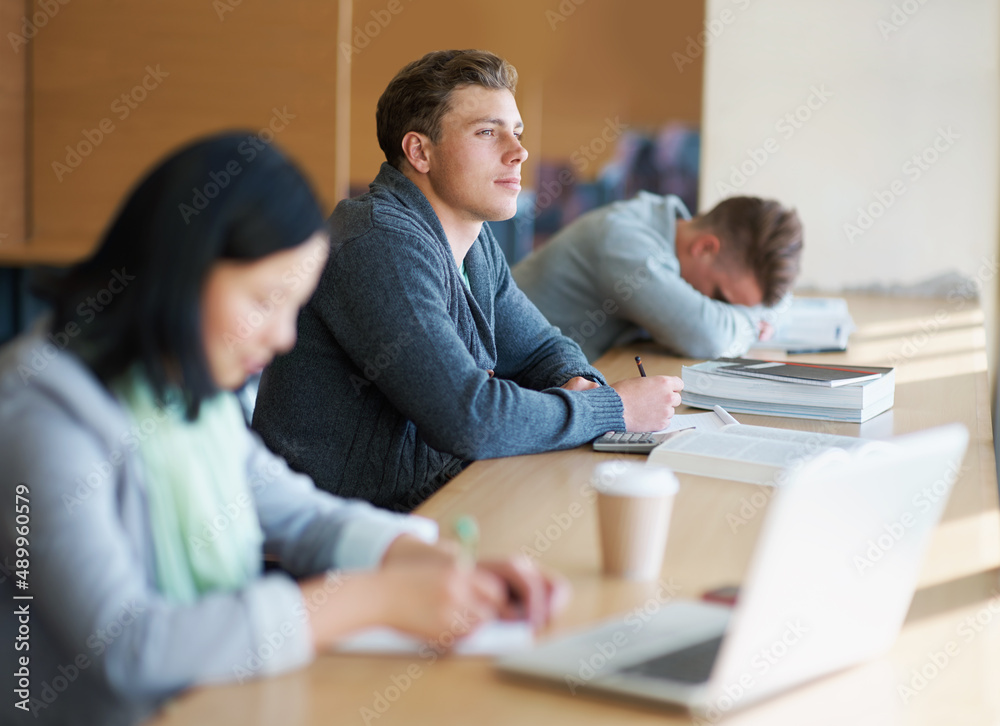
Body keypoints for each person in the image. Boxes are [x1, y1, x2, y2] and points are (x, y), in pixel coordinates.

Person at [0, 135, 565, 726]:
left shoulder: (184, 380)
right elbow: (130, 647)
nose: (283, 338)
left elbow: (298, 514)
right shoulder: (37, 414)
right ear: (183, 269)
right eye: (265, 300)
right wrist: (372, 597)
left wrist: (430, 560)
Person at [251, 50, 684, 512]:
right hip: (338, 543)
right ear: (420, 151)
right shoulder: (377, 243)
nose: (518, 152)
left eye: (516, 132)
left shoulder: (473, 242)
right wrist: (610, 409)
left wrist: (579, 385)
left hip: (436, 502)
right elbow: (470, 418)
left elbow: (541, 350)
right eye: (487, 132)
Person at [512, 193, 804, 362]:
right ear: (704, 248)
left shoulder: (667, 225)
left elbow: (782, 302)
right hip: (504, 387)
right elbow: (709, 337)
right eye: (721, 297)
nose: (723, 306)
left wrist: (756, 314)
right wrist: (753, 323)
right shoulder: (624, 244)